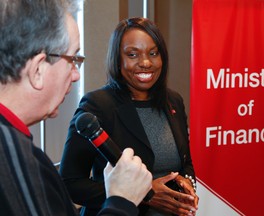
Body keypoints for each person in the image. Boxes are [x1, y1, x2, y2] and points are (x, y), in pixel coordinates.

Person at [0, 1, 152, 215]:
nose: (76, 75)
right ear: (37, 70)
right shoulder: (15, 161)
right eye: (72, 59)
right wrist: (121, 201)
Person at [59, 17, 199, 216]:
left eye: (153, 53)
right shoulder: (97, 105)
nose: (145, 62)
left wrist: (187, 184)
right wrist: (145, 193)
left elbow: (185, 163)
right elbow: (70, 184)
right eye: (133, 54)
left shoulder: (173, 101)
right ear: (118, 59)